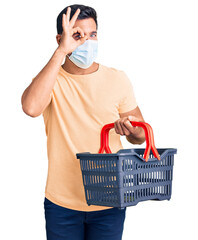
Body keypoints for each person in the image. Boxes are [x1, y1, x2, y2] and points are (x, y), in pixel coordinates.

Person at [21, 4, 145, 240]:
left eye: (93, 34)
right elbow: (30, 108)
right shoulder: (51, 80)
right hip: (62, 204)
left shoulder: (117, 78)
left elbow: (139, 135)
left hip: (109, 201)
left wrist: (131, 130)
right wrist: (60, 52)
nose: (87, 42)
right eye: (78, 35)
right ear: (61, 38)